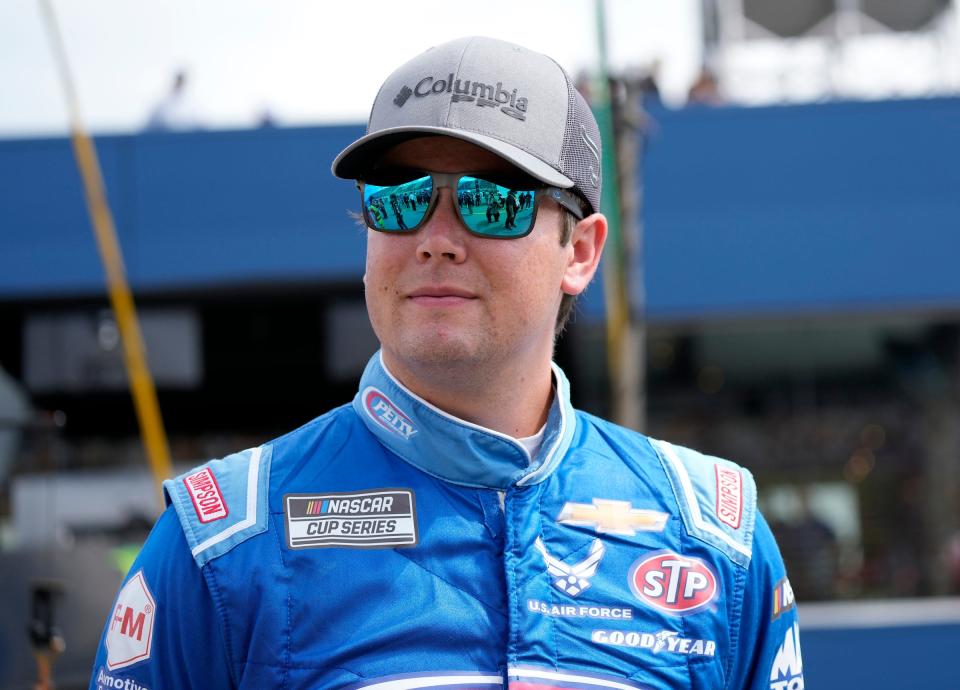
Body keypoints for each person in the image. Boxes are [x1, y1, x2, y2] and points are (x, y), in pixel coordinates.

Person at [89, 36, 802, 690]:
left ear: (579, 252)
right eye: (398, 201)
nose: (435, 239)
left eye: (490, 203)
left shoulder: (716, 540)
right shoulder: (221, 546)